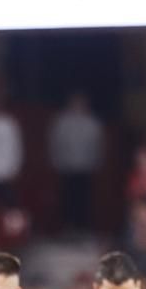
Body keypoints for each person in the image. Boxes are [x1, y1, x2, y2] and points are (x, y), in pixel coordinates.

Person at [48, 92, 104, 230]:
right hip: (67, 165)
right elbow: (55, 142)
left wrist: (97, 161)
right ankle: (67, 225)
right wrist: (55, 160)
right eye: (75, 102)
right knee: (67, 197)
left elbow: (99, 144)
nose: (78, 105)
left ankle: (83, 225)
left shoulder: (92, 122)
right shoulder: (62, 121)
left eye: (81, 102)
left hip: (86, 166)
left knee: (84, 198)